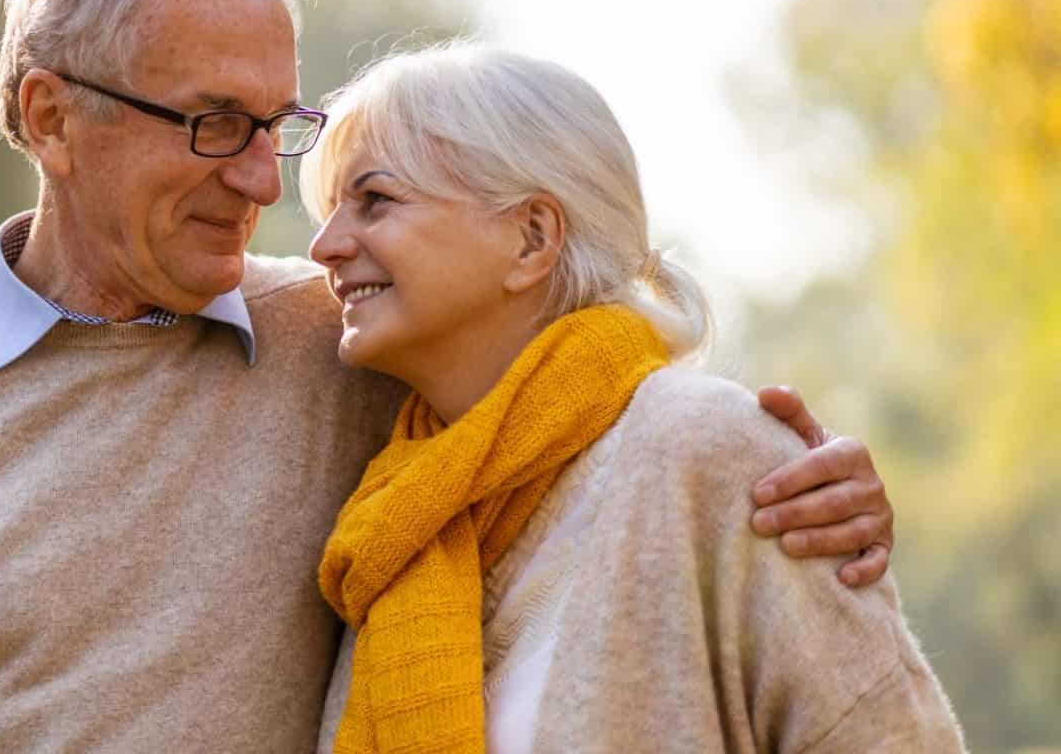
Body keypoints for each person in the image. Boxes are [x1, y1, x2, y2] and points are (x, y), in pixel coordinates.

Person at [0, 0, 898, 752]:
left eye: (279, 125)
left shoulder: (352, 343)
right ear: (52, 118)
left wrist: (796, 485)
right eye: (215, 123)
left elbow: (573, 382)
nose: (265, 182)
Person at [303, 44, 962, 752]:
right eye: (332, 211)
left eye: (374, 201)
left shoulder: (709, 448)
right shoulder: (392, 521)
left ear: (532, 238)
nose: (324, 247)